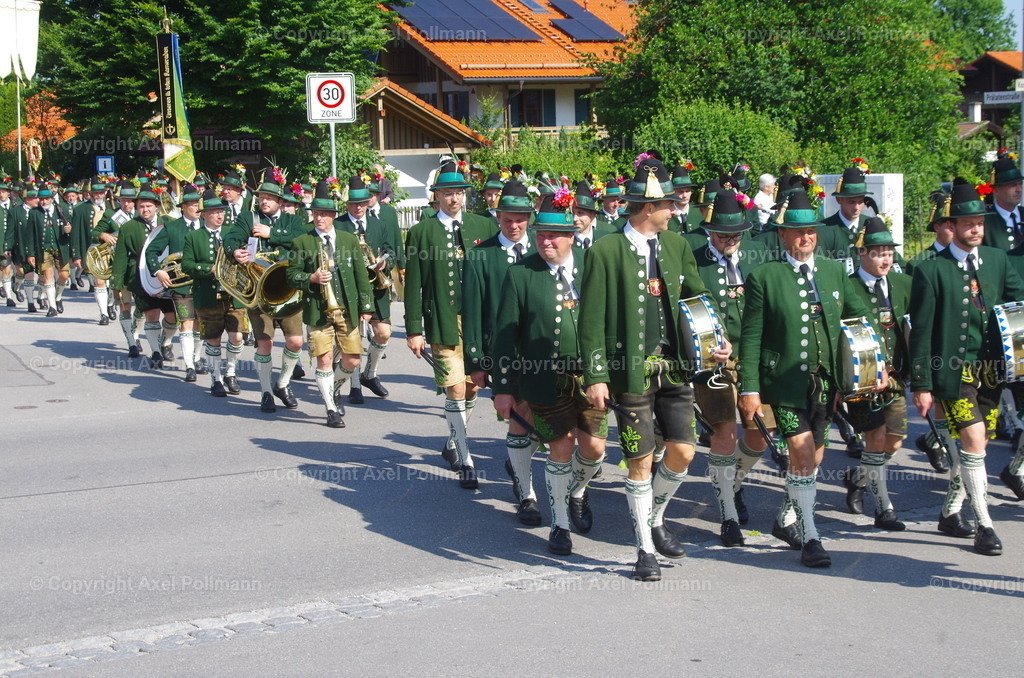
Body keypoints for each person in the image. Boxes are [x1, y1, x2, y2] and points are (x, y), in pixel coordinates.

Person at [580, 157, 730, 581]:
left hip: (675, 369)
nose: (676, 210)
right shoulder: (605, 250)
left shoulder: (677, 246)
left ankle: (655, 517)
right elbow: (590, 319)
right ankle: (644, 549)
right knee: (640, 461)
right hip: (629, 372)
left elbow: (699, 297)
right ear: (649, 207)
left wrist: (717, 337)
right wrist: (596, 376)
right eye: (669, 205)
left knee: (683, 452)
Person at [738, 189, 877, 568]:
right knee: (800, 453)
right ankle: (811, 536)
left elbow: (860, 318)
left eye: (811, 231)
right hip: (783, 384)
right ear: (783, 234)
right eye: (798, 231)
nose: (806, 237)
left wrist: (874, 363)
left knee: (813, 457)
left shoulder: (834, 272)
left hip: (826, 385)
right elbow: (751, 337)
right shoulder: (764, 277)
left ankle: (785, 518)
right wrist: (750, 389)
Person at [909, 181, 1024, 556]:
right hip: (953, 373)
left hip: (992, 370)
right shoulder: (931, 270)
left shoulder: (997, 259)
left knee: (979, 445)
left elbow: (1017, 304)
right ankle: (985, 525)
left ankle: (949, 511)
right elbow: (921, 332)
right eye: (968, 223)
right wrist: (921, 384)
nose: (976, 229)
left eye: (980, 222)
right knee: (973, 441)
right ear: (951, 226)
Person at [492, 194, 607, 555]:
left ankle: (577, 492)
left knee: (595, 449)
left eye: (553, 235)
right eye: (540, 234)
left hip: (590, 376)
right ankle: (559, 524)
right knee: (561, 446)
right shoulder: (521, 273)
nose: (545, 241)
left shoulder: (593, 265)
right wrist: (503, 387)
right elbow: (505, 335)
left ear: (571, 236)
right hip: (543, 379)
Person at [404, 161, 497, 489]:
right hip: (442, 320)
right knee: (455, 389)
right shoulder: (421, 232)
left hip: (478, 323)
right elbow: (413, 285)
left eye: (458, 192)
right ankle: (465, 457)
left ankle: (452, 440)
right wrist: (414, 329)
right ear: (437, 196)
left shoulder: (484, 226)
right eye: (447, 193)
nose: (454, 198)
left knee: (472, 387)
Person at [690, 188, 773, 546]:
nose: (730, 241)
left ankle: (733, 482)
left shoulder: (757, 256)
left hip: (753, 356)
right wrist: (713, 340)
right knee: (724, 434)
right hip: (714, 361)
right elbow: (688, 308)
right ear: (710, 232)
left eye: (736, 235)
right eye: (723, 235)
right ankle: (728, 514)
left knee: (759, 433)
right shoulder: (694, 260)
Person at [462, 180, 539, 522]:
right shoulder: (480, 255)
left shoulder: (544, 247)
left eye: (520, 218)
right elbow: (473, 311)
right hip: (505, 353)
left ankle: (518, 461)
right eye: (508, 219)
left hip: (543, 351)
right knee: (520, 415)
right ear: (498, 217)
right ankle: (526, 493)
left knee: (544, 420)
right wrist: (476, 361)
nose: (514, 225)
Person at [838, 217, 912, 531]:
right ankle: (884, 509)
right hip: (864, 378)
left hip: (894, 376)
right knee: (876, 437)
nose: (886, 259)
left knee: (894, 441)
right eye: (879, 253)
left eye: (889, 253)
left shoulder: (902, 283)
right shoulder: (847, 286)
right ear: (862, 253)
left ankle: (858, 478)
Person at [287, 180, 374, 428]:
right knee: (324, 359)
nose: (319, 218)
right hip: (318, 310)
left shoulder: (348, 240)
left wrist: (367, 307)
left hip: (347, 308)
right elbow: (291, 275)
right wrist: (311, 278)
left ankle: (334, 388)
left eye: (324, 214)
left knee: (353, 359)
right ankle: (330, 408)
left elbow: (360, 275)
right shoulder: (301, 242)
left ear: (333, 216)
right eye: (316, 213)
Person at [222, 172, 308, 413]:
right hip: (259, 289)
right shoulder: (248, 217)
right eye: (261, 197)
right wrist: (234, 252)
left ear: (280, 201)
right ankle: (266, 392)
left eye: (269, 198)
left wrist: (273, 234)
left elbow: (303, 239)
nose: (264, 201)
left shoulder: (292, 220)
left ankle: (283, 383)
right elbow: (230, 238)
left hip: (288, 287)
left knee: (295, 342)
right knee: (265, 344)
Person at [335, 176, 402, 404]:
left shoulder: (379, 224)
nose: (358, 207)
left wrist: (385, 263)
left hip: (376, 286)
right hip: (349, 288)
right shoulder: (338, 225)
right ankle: (354, 386)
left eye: (362, 203)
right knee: (355, 337)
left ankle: (369, 374)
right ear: (347, 204)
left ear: (368, 202)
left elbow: (391, 251)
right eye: (354, 204)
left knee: (383, 332)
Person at [182, 190, 247, 396]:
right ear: (204, 215)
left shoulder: (232, 233)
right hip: (208, 295)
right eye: (215, 212)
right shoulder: (193, 237)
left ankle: (231, 372)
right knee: (213, 339)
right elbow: (187, 265)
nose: (220, 215)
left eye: (221, 211)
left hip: (234, 295)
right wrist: (210, 269)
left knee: (237, 337)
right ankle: (215, 379)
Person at [109, 188, 178, 368]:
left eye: (148, 206)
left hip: (167, 277)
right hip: (140, 277)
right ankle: (155, 352)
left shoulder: (169, 223)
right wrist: (117, 282)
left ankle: (165, 343)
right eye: (141, 206)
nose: (145, 210)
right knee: (151, 314)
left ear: (156, 206)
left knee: (172, 317)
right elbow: (120, 256)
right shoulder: (128, 227)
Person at [146, 183, 203, 381]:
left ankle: (197, 358)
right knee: (186, 322)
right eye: (193, 205)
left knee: (200, 324)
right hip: (182, 285)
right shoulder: (171, 227)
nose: (197, 208)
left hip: (204, 283)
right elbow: (151, 251)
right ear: (183, 207)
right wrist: (158, 271)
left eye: (199, 204)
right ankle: (189, 366)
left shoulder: (207, 226)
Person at [25, 184, 75, 317]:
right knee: (48, 275)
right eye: (41, 199)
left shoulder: (62, 209)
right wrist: (30, 254)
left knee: (64, 276)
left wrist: (69, 230)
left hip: (61, 247)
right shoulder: (34, 213)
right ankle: (52, 306)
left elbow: (71, 227)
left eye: (47, 198)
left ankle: (58, 296)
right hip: (43, 249)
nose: (44, 201)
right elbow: (30, 235)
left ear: (52, 199)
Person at [981, 153, 1024, 251]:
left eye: (1020, 184)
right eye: (1013, 185)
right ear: (996, 190)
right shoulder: (985, 221)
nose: (1019, 189)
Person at [570, 180, 613, 250]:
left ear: (593, 215)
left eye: (580, 213)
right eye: (572, 213)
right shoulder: (566, 242)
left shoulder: (605, 239)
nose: (575, 218)